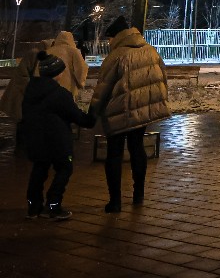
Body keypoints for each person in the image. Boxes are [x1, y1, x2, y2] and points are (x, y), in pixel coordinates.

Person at [89, 15, 171, 214]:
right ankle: (138, 195)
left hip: (118, 111)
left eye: (109, 38)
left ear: (116, 36)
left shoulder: (117, 55)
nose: (108, 42)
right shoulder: (150, 51)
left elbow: (103, 88)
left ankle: (115, 201)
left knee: (114, 154)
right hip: (142, 112)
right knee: (137, 149)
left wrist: (93, 113)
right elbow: (162, 79)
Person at [22, 51, 97, 219]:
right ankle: (53, 205)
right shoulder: (59, 94)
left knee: (39, 171)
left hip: (35, 139)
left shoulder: (31, 91)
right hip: (56, 142)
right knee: (64, 168)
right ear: (57, 73)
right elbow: (78, 117)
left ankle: (34, 207)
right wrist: (92, 116)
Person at [45, 31, 88, 101]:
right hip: (68, 87)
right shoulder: (73, 51)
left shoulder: (48, 51)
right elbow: (81, 68)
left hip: (49, 88)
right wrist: (81, 82)